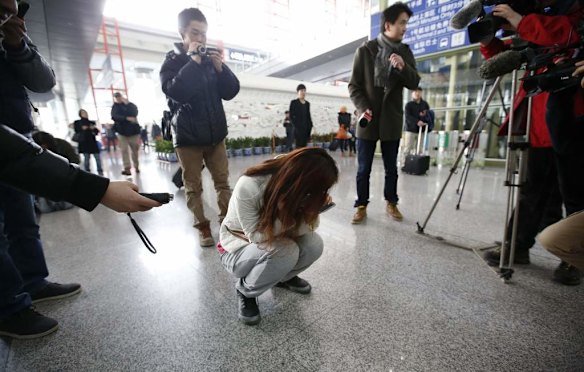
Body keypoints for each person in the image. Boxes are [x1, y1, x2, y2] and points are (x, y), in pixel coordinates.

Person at [0, 124, 161, 339]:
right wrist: (97, 189)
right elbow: (12, 153)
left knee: (23, 223)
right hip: (12, 144)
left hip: (16, 132)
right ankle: (8, 307)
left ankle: (33, 283)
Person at [480, 1, 583, 285]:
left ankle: (573, 258)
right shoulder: (536, 13)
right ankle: (517, 246)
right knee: (532, 188)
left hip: (573, 117)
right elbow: (514, 54)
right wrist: (490, 39)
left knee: (575, 193)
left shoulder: (573, 12)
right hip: (539, 119)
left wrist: (519, 18)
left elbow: (562, 32)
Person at [218, 148, 338, 325]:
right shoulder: (250, 185)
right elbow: (256, 237)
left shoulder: (299, 190)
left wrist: (309, 210)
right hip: (237, 248)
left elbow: (312, 227)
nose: (321, 194)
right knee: (286, 251)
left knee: (314, 244)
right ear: (301, 183)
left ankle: (282, 278)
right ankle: (246, 291)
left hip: (274, 240)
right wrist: (289, 217)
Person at [160, 8, 240, 247]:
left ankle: (227, 224)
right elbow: (176, 91)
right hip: (187, 137)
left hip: (216, 134)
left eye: (204, 34)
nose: (201, 39)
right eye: (195, 33)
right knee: (193, 187)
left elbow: (231, 91)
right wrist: (193, 60)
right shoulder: (172, 62)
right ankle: (203, 228)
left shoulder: (209, 61)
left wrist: (221, 69)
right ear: (182, 32)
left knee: (223, 183)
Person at [348, 2, 420, 224]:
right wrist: (362, 107)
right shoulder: (365, 51)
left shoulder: (405, 52)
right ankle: (361, 205)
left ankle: (391, 203)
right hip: (368, 119)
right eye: (402, 23)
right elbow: (354, 86)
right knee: (363, 169)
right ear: (388, 24)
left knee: (391, 169)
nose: (405, 27)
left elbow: (414, 81)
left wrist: (402, 67)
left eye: (406, 23)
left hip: (391, 119)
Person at [111, 92, 141, 175]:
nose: (118, 98)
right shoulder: (115, 107)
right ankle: (127, 168)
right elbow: (114, 116)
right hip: (122, 132)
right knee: (124, 150)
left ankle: (136, 166)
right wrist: (126, 118)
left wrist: (128, 104)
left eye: (119, 96)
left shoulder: (130, 105)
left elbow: (135, 113)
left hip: (133, 132)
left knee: (134, 150)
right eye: (116, 97)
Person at [402, 87, 431, 164]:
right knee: (408, 148)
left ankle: (417, 165)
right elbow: (408, 117)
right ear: (412, 94)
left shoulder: (425, 104)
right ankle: (405, 164)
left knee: (419, 148)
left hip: (421, 130)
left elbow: (428, 114)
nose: (417, 94)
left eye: (419, 92)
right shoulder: (409, 105)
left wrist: (425, 121)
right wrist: (417, 121)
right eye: (415, 92)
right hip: (410, 129)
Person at [74, 109, 103, 175]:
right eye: (83, 113)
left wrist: (92, 128)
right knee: (86, 158)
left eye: (86, 112)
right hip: (84, 143)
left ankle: (100, 170)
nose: (85, 114)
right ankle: (87, 172)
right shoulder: (77, 122)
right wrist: (82, 128)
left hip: (92, 142)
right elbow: (76, 130)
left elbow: (96, 132)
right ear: (80, 114)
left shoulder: (91, 122)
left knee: (97, 157)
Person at [289, 84, 313, 148]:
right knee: (298, 148)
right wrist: (296, 127)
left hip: (306, 129)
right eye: (301, 90)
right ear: (298, 92)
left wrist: (310, 125)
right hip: (298, 130)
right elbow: (291, 116)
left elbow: (308, 116)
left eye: (304, 90)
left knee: (304, 148)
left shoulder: (307, 104)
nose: (303, 92)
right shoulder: (294, 102)